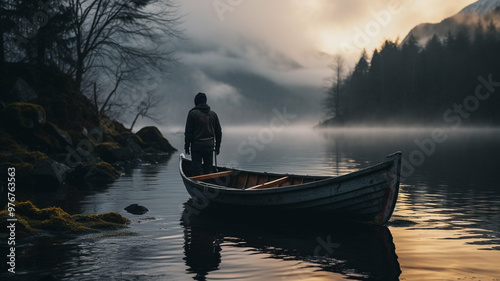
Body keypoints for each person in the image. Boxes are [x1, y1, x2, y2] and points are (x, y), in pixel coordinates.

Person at [184, 92, 222, 176]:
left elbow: (188, 132)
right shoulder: (213, 114)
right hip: (209, 146)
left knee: (196, 169)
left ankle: (198, 184)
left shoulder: (192, 114)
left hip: (197, 146)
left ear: (196, 102)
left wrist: (187, 146)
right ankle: (209, 184)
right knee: (208, 169)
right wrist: (218, 146)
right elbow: (218, 132)